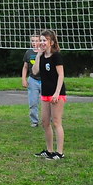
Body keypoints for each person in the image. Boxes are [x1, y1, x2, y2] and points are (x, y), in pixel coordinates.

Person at [31, 29, 66, 160]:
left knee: (56, 122)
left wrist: (57, 93)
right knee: (45, 122)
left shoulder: (56, 56)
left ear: (51, 42)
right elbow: (35, 71)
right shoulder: (41, 56)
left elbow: (61, 75)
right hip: (45, 93)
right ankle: (49, 150)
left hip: (57, 93)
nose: (42, 42)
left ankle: (60, 152)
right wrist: (38, 55)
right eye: (40, 40)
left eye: (44, 40)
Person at [22, 34, 41, 127]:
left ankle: (49, 120)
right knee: (33, 102)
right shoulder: (28, 53)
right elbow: (25, 67)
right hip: (33, 79)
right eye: (32, 41)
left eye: (36, 41)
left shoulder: (45, 52)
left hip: (45, 80)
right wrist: (24, 79)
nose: (34, 43)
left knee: (48, 102)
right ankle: (34, 121)